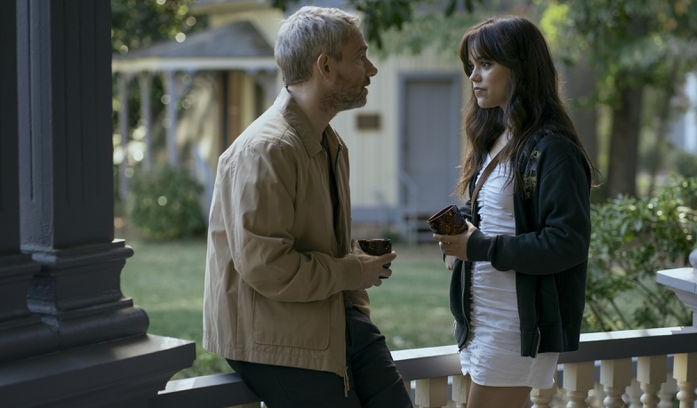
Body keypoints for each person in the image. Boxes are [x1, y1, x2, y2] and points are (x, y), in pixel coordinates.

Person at [202, 6, 412, 408]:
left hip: (334, 320)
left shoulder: (330, 144)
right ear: (326, 67)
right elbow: (266, 264)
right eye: (360, 57)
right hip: (276, 339)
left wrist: (356, 276)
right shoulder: (267, 150)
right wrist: (352, 270)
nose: (372, 69)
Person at [433, 17, 595, 408]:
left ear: (520, 68)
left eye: (486, 64)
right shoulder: (496, 138)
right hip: (481, 317)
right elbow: (494, 219)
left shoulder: (553, 149)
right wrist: (461, 238)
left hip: (517, 325)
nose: (474, 77)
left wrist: (481, 248)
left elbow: (567, 242)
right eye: (471, 66)